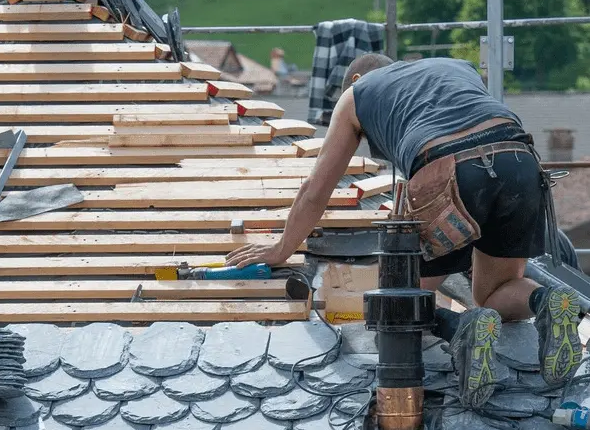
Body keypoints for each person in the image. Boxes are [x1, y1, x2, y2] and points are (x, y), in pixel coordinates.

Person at [226, 54, 583, 408]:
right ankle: (547, 301)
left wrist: (281, 249)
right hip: (519, 160)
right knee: (496, 293)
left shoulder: (356, 95)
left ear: (355, 81)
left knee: (400, 303)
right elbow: (474, 127)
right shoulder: (454, 65)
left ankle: (463, 328)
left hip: (449, 171)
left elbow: (315, 190)